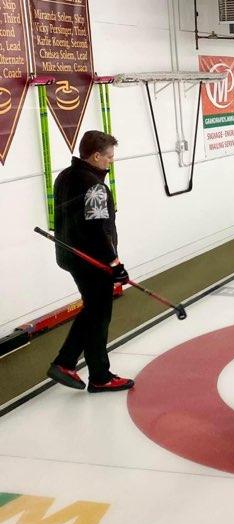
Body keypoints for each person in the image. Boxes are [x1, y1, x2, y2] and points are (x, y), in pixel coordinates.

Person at [46, 131, 134, 393]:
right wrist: (115, 263)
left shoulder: (64, 176)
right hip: (92, 261)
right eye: (108, 157)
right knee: (99, 313)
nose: (111, 162)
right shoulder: (95, 186)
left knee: (95, 311)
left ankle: (83, 368)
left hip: (70, 256)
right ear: (96, 156)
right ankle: (91, 372)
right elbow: (97, 230)